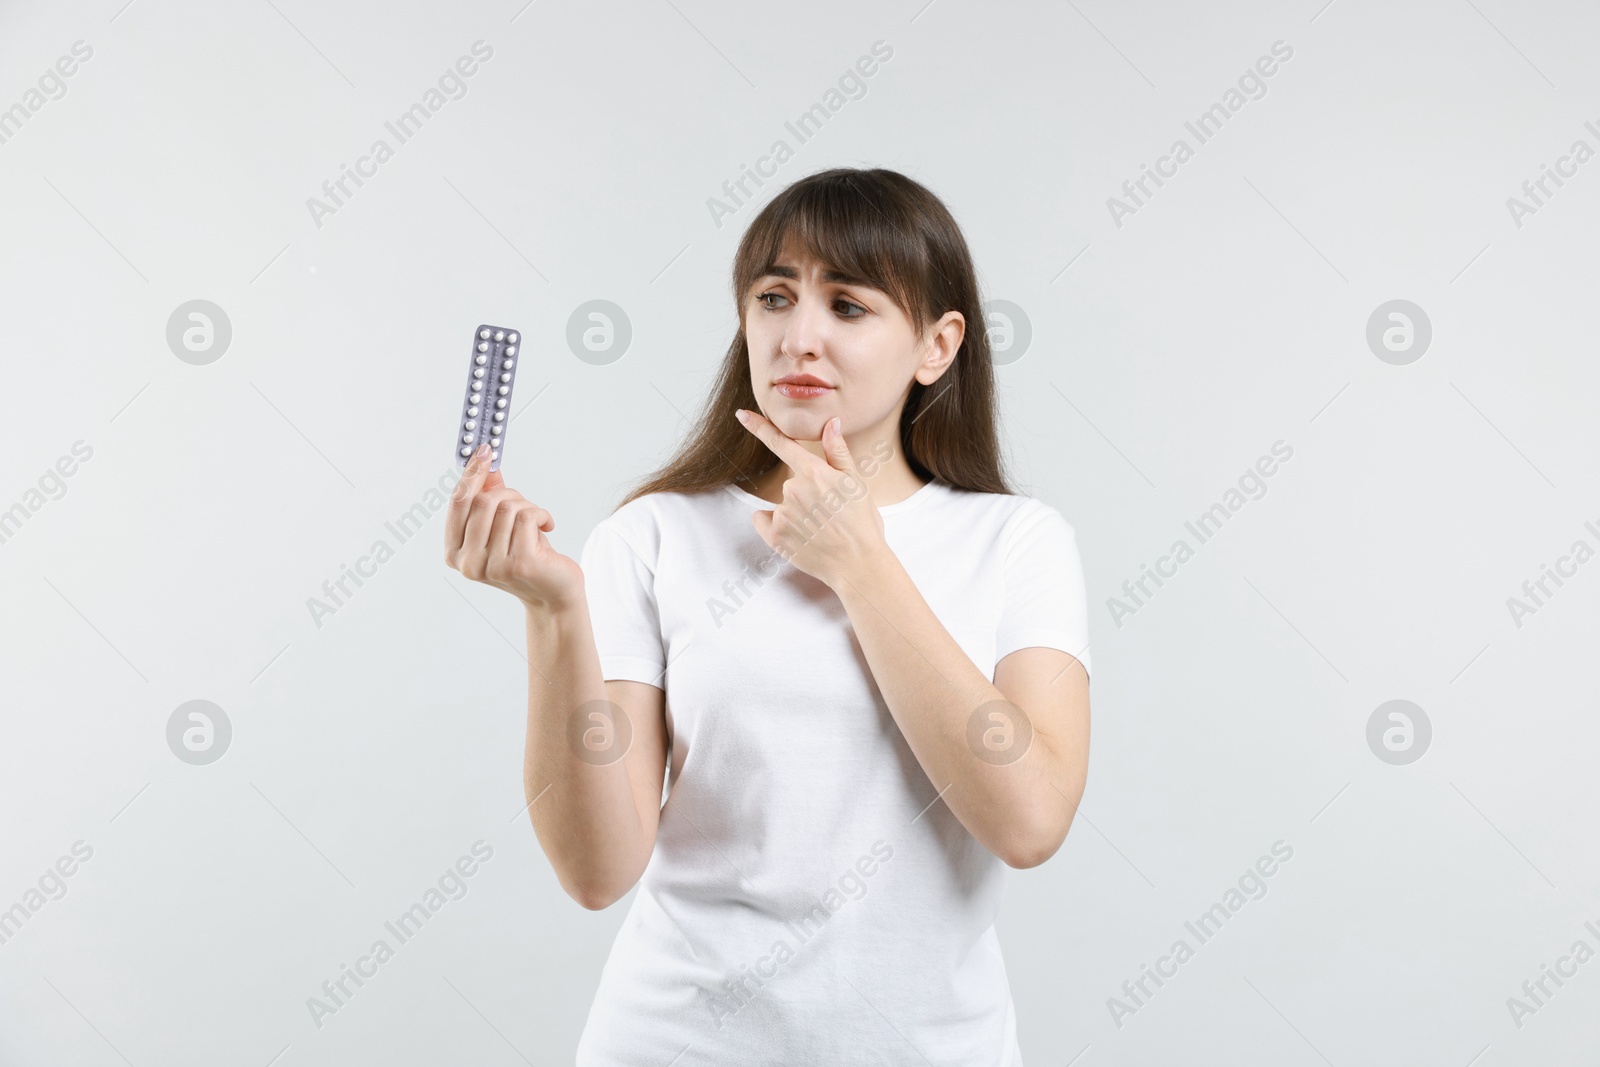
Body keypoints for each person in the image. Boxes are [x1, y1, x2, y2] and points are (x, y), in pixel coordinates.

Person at [444, 167, 1092, 1065]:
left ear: (937, 346)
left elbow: (1028, 820)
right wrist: (556, 613)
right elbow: (598, 870)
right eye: (775, 298)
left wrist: (860, 564)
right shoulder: (655, 535)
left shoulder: (1018, 542)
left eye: (849, 306)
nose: (800, 336)